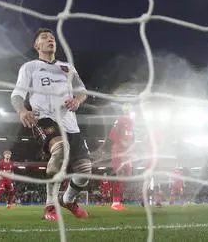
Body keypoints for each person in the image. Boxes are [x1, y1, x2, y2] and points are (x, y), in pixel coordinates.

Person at [11, 27, 91, 221]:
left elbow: (82, 91)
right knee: (60, 149)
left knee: (85, 171)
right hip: (44, 118)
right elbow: (17, 95)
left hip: (71, 123)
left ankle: (68, 200)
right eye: (44, 38)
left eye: (52, 38)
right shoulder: (30, 67)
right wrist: (22, 110)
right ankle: (50, 205)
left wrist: (78, 100)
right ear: (36, 45)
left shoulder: (67, 67)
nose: (50, 40)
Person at [109, 104, 135, 211]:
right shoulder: (119, 120)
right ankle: (115, 202)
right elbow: (111, 135)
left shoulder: (132, 122)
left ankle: (118, 198)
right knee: (119, 174)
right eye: (126, 108)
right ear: (123, 110)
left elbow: (132, 137)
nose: (128, 110)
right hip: (118, 150)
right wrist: (121, 142)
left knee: (128, 174)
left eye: (129, 108)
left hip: (127, 152)